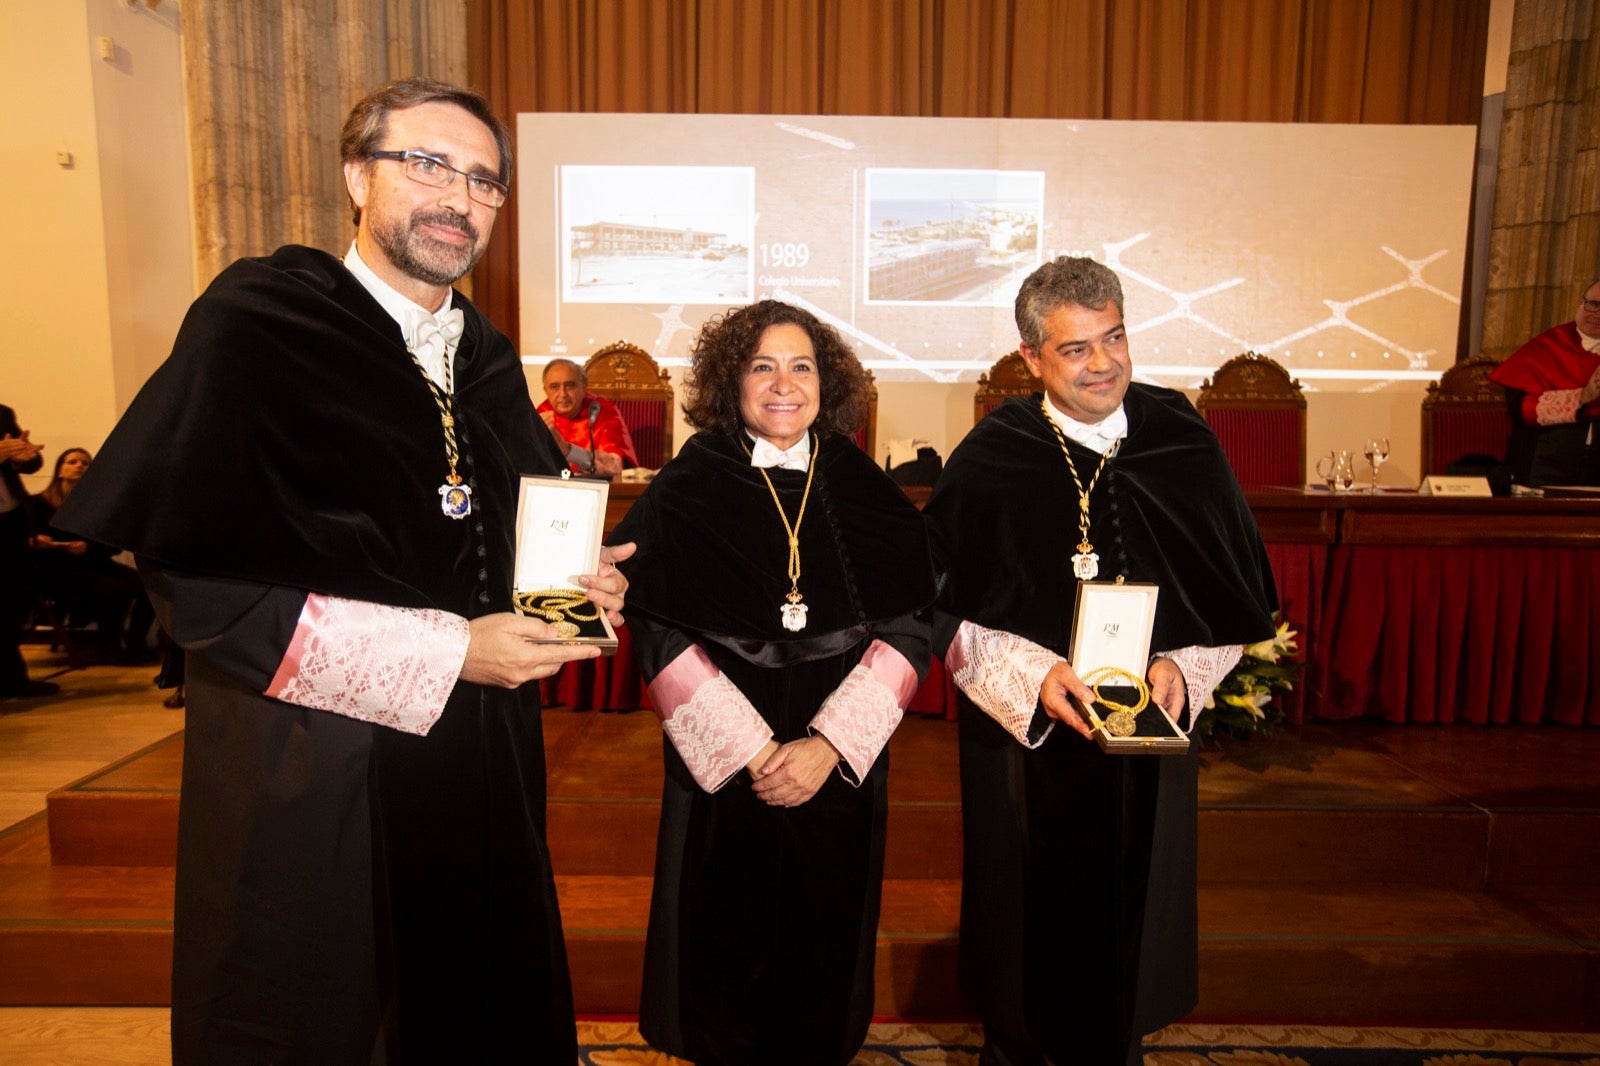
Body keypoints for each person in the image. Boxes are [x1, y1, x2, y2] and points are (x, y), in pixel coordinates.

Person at [55, 77, 632, 1063]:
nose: (459, 195)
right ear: (356, 176)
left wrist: (572, 597)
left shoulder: (484, 361)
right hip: (318, 764)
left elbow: (505, 549)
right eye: (427, 163)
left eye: (484, 180)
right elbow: (200, 588)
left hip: (481, 763)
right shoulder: (262, 324)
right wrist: (454, 651)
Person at [924, 257, 1276, 1066]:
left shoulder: (1179, 435)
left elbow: (1228, 585)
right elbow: (941, 604)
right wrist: (1032, 675)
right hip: (1026, 745)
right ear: (1031, 358)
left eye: (1114, 337)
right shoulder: (993, 453)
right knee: (1024, 959)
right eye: (1076, 348)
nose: (1105, 362)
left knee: (1126, 956)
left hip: (1147, 742)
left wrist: (1182, 670)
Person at [611, 299, 935, 1065]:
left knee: (821, 959)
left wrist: (827, 745)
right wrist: (752, 752)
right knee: (721, 959)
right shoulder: (691, 482)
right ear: (733, 381)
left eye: (802, 366)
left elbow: (912, 625)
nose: (783, 384)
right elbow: (655, 625)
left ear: (828, 382)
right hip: (723, 775)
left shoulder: (865, 486)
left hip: (838, 774)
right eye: (763, 366)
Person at [26, 448, 155, 662]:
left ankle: (136, 642)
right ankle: (108, 646)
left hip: (91, 563)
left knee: (149, 585)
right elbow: (24, 539)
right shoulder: (37, 503)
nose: (79, 466)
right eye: (72, 462)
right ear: (60, 470)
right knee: (117, 589)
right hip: (53, 570)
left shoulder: (96, 506)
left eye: (85, 463)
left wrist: (88, 547)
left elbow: (113, 544)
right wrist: (40, 542)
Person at [1488, 278, 1600, 486]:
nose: (1597, 314)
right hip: (1546, 462)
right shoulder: (1548, 346)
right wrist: (1582, 397)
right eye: (1593, 304)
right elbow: (1519, 408)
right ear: (1580, 303)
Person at [0, 405, 55, 698]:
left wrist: (25, 457)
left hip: (10, 522)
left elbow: (26, 464)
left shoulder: (2, 414)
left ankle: (13, 679)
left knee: (13, 603)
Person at [538, 357, 639, 476]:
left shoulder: (600, 411)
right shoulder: (540, 416)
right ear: (545, 390)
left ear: (584, 387)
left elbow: (615, 466)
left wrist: (568, 450)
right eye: (554, 387)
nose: (563, 394)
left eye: (570, 385)